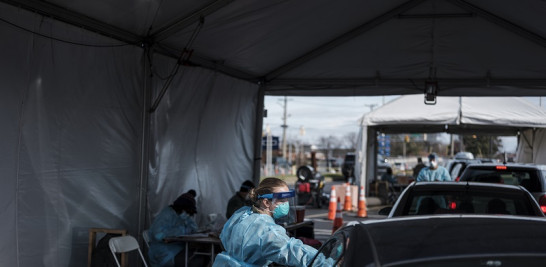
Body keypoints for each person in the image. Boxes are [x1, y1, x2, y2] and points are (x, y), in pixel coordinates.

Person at [213, 177, 333, 266]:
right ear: (266, 202)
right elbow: (292, 250)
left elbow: (224, 238)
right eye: (282, 200)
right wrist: (325, 263)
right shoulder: (267, 231)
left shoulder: (241, 214)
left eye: (287, 200)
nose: (286, 204)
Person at [148, 192, 207, 267]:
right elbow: (158, 234)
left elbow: (194, 228)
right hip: (163, 254)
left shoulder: (182, 216)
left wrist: (188, 223)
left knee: (204, 256)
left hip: (177, 249)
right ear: (181, 207)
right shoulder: (166, 214)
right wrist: (181, 230)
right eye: (187, 212)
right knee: (196, 261)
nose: (188, 215)